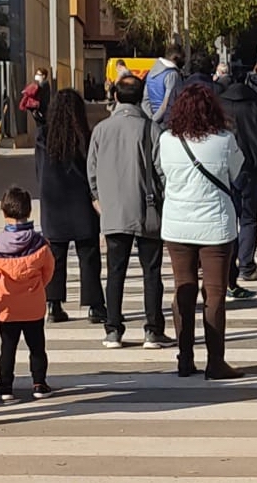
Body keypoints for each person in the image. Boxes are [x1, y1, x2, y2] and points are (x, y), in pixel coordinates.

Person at [156, 85, 246, 380]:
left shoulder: (167, 139)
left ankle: (185, 359)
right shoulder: (224, 140)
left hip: (177, 224)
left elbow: (161, 173)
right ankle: (216, 362)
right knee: (215, 293)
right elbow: (236, 173)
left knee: (183, 288)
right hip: (215, 227)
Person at [88, 74, 175, 350]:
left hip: (112, 212)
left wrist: (97, 200)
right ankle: (153, 330)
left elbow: (91, 170)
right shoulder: (151, 129)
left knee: (115, 272)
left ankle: (113, 329)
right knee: (152, 272)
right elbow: (163, 171)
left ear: (115, 96)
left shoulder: (101, 129)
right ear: (140, 99)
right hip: (147, 210)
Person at [36, 89, 105, 325]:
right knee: (89, 254)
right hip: (81, 200)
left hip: (54, 201)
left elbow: (39, 169)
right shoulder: (84, 135)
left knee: (55, 256)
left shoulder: (44, 136)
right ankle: (95, 305)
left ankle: (53, 304)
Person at [0, 186, 55, 402]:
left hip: (7, 306)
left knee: (7, 347)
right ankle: (39, 384)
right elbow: (48, 270)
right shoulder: (40, 244)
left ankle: (5, 387)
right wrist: (38, 285)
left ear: (3, 212)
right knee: (37, 346)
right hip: (33, 304)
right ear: (29, 211)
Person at [220, 76, 257, 288]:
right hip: (250, 167)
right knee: (248, 219)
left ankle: (227, 265)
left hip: (223, 168)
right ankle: (246, 265)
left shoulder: (219, 104)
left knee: (226, 218)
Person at [142, 46, 185, 125]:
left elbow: (145, 99)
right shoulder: (173, 74)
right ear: (175, 58)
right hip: (166, 121)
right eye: (183, 58)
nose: (184, 61)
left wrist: (150, 117)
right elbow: (167, 102)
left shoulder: (151, 72)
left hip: (151, 118)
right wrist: (155, 120)